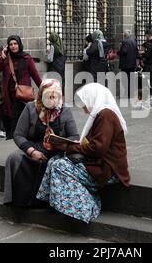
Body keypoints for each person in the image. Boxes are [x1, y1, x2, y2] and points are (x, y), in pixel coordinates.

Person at [37, 83, 130, 223]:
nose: (85, 109)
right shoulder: (101, 114)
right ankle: (52, 202)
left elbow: (98, 149)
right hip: (97, 161)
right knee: (53, 161)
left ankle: (86, 207)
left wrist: (70, 147)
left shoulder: (106, 115)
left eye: (85, 104)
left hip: (107, 169)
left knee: (60, 166)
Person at [3, 79, 80, 208]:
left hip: (57, 151)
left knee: (56, 164)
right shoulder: (30, 108)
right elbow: (18, 135)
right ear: (41, 94)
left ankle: (49, 202)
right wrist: (31, 151)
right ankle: (21, 201)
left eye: (54, 96)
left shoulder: (65, 110)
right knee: (14, 158)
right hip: (35, 148)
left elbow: (74, 135)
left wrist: (62, 144)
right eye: (48, 96)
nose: (51, 99)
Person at [0, 35, 42, 140]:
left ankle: (13, 137)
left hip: (22, 92)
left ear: (19, 44)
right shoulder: (6, 58)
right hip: (8, 92)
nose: (13, 46)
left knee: (16, 114)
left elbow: (35, 75)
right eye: (10, 44)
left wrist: (43, 88)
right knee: (9, 114)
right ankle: (16, 135)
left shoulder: (26, 58)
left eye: (15, 44)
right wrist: (2, 56)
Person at [118, 30, 138, 100]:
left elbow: (124, 51)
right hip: (132, 64)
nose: (123, 35)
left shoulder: (125, 42)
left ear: (125, 35)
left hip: (125, 64)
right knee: (131, 79)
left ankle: (126, 94)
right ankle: (131, 94)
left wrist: (118, 52)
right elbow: (136, 52)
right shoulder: (134, 42)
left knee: (125, 79)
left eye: (123, 34)